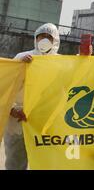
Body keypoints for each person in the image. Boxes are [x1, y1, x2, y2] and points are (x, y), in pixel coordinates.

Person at [4, 23, 60, 170]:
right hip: (18, 120)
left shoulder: (61, 62)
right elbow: (6, 86)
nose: (45, 39)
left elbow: (81, 74)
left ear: (56, 41)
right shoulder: (22, 58)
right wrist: (12, 109)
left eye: (49, 37)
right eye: (42, 36)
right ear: (36, 38)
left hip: (45, 123)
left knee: (44, 164)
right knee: (15, 163)